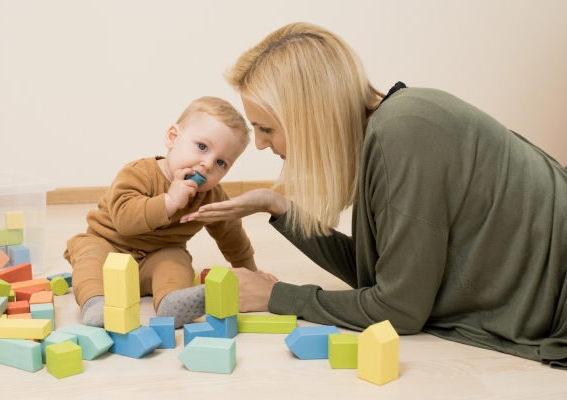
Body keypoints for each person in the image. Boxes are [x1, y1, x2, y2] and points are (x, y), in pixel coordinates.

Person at [181, 22, 567, 368]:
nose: (261, 145)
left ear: (309, 117)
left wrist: (276, 296)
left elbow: (399, 310)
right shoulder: (391, 127)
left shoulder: (404, 134)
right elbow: (380, 277)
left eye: (266, 128)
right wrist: (278, 206)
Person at [64, 96, 277, 328]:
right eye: (202, 147)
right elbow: (125, 220)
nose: (207, 164)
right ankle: (96, 304)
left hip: (156, 258)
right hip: (110, 248)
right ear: (173, 138)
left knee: (176, 259)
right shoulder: (138, 173)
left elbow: (231, 234)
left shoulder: (211, 195)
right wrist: (169, 201)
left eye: (221, 163)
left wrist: (250, 271)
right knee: (89, 254)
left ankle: (171, 303)